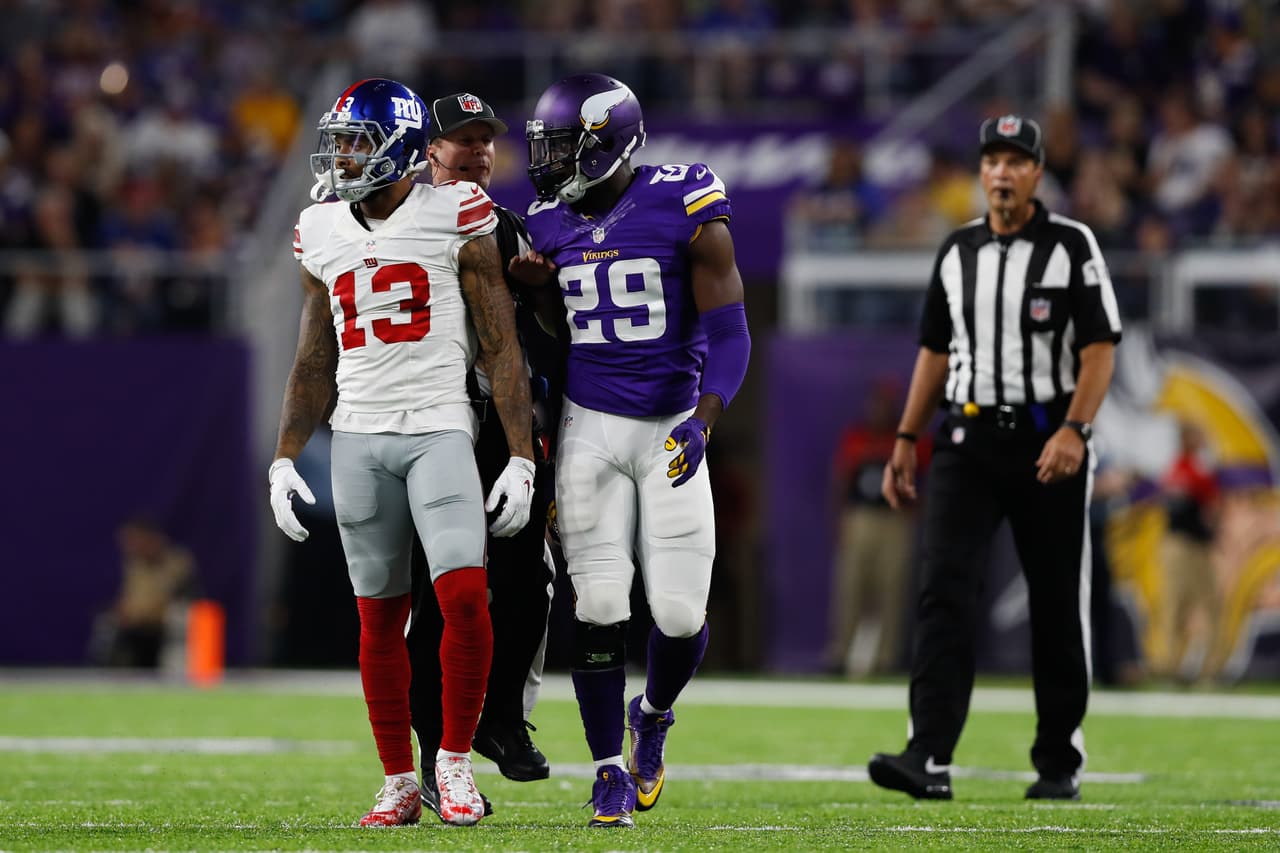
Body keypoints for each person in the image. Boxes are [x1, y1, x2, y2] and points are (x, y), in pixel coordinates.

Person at [267, 78, 535, 828]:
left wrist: (520, 455)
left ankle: (453, 760)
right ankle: (397, 780)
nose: (343, 156)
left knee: (464, 599)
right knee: (379, 617)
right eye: (341, 142)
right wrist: (284, 456)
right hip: (357, 434)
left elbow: (500, 343)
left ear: (399, 147)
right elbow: (314, 357)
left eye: (356, 142)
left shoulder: (456, 210)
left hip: (439, 426)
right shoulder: (319, 229)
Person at [516, 73, 752, 828]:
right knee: (599, 603)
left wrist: (705, 418)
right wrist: (539, 295)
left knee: (679, 616)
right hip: (591, 424)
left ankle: (650, 714)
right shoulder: (544, 222)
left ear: (606, 143)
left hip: (672, 424)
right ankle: (606, 770)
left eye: (562, 146)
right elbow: (557, 335)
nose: (548, 161)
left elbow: (731, 331)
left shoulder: (684, 202)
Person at [868, 114, 1122, 802]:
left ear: (1037, 173)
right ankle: (928, 754)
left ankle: (1058, 760)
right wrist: (905, 437)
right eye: (992, 161)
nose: (1002, 173)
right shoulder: (957, 250)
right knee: (942, 592)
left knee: (1056, 600)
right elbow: (935, 350)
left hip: (1048, 441)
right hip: (967, 439)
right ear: (980, 173)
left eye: (1016, 161)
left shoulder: (1071, 244)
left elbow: (1100, 348)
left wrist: (1074, 429)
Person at [405, 91, 560, 817]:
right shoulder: (399, 216)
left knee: (530, 579)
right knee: (438, 592)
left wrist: (542, 295)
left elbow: (547, 339)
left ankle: (499, 718)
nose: (476, 151)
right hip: (425, 422)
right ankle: (434, 749)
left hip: (499, 421)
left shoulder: (509, 225)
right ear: (429, 150)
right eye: (461, 139)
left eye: (485, 140)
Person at [823, 380, 915, 677]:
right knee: (851, 586)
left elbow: (920, 478)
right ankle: (841, 653)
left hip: (893, 518)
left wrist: (912, 511)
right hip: (860, 516)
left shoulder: (904, 440)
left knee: (891, 588)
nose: (881, 410)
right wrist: (841, 516)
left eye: (887, 404)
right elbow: (842, 479)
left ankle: (887, 658)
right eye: (877, 403)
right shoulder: (857, 437)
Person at [1156, 420, 1221, 681]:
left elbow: (1212, 507)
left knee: (1210, 603)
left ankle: (1211, 668)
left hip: (1200, 545)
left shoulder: (1202, 468)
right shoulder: (1180, 468)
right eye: (1197, 435)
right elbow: (1180, 500)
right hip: (1180, 544)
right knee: (1176, 604)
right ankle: (1169, 664)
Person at [92, 515, 197, 668]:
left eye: (134, 541)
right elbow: (131, 598)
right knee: (107, 627)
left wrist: (138, 615)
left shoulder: (177, 563)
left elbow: (175, 604)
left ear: (150, 539)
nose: (130, 547)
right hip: (136, 631)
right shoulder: (135, 565)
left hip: (163, 632)